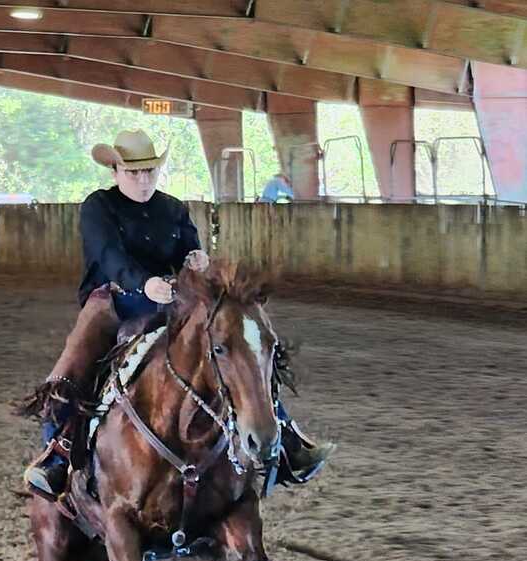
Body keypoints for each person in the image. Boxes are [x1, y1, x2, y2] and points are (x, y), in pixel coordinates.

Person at [24, 130, 328, 501]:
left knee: (239, 345)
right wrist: (143, 283)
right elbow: (108, 256)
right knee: (74, 363)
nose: (143, 179)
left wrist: (197, 259)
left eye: (149, 171)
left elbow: (190, 246)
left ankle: (283, 432)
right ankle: (57, 453)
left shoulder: (172, 207)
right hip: (113, 303)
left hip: (174, 300)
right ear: (115, 171)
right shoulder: (98, 206)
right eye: (134, 172)